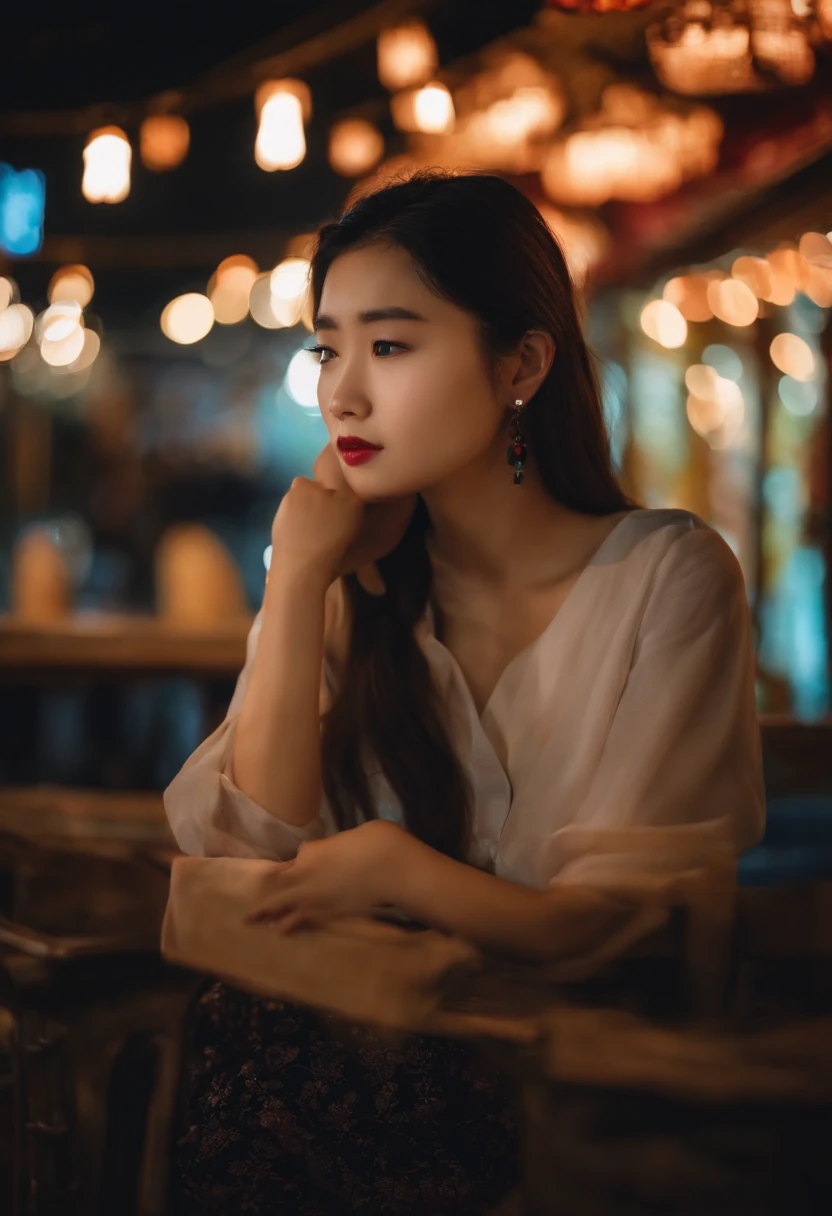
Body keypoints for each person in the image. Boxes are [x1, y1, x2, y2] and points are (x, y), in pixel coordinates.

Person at [164, 171, 765, 1214]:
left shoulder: (668, 576)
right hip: (352, 1059)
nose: (343, 392)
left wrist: (394, 865)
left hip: (564, 1088)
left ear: (522, 363)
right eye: (328, 349)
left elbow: (606, 929)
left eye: (389, 346)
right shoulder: (353, 573)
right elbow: (252, 843)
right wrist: (300, 573)